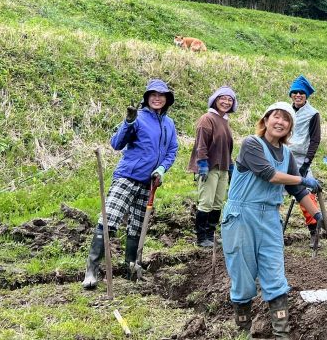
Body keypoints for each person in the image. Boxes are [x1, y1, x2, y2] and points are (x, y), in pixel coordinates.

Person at [222, 102, 324, 339]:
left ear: (290, 128)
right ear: (266, 120)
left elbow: (298, 191)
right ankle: (243, 333)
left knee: (275, 276)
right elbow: (268, 174)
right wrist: (301, 179)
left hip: (269, 217)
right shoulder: (251, 144)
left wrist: (318, 216)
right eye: (276, 117)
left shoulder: (287, 154)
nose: (280, 122)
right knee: (243, 278)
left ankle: (282, 334)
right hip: (242, 216)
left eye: (286, 119)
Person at [82, 79, 178, 289]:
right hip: (127, 176)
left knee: (137, 225)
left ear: (167, 99)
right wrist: (128, 123)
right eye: (153, 94)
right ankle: (92, 269)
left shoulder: (169, 124)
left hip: (149, 182)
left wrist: (162, 169)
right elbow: (116, 144)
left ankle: (130, 267)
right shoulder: (139, 118)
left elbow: (172, 151)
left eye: (161, 95)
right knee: (110, 219)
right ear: (147, 97)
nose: (157, 98)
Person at [188, 86, 237, 248]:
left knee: (217, 202)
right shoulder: (207, 119)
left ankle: (211, 234)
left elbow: (226, 147)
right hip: (209, 167)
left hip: (222, 167)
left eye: (230, 100)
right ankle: (201, 238)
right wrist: (202, 163)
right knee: (206, 202)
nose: (226, 102)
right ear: (215, 100)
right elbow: (201, 144)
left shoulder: (225, 120)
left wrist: (230, 166)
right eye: (223, 98)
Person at [285, 75, 322, 248]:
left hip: (301, 159)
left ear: (306, 95)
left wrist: (306, 163)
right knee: (273, 191)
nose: (298, 95)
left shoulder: (313, 114)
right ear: (291, 95)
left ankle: (314, 231)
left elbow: (315, 140)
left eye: (301, 93)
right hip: (284, 154)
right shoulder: (285, 111)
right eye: (295, 92)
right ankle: (273, 229)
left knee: (306, 194)